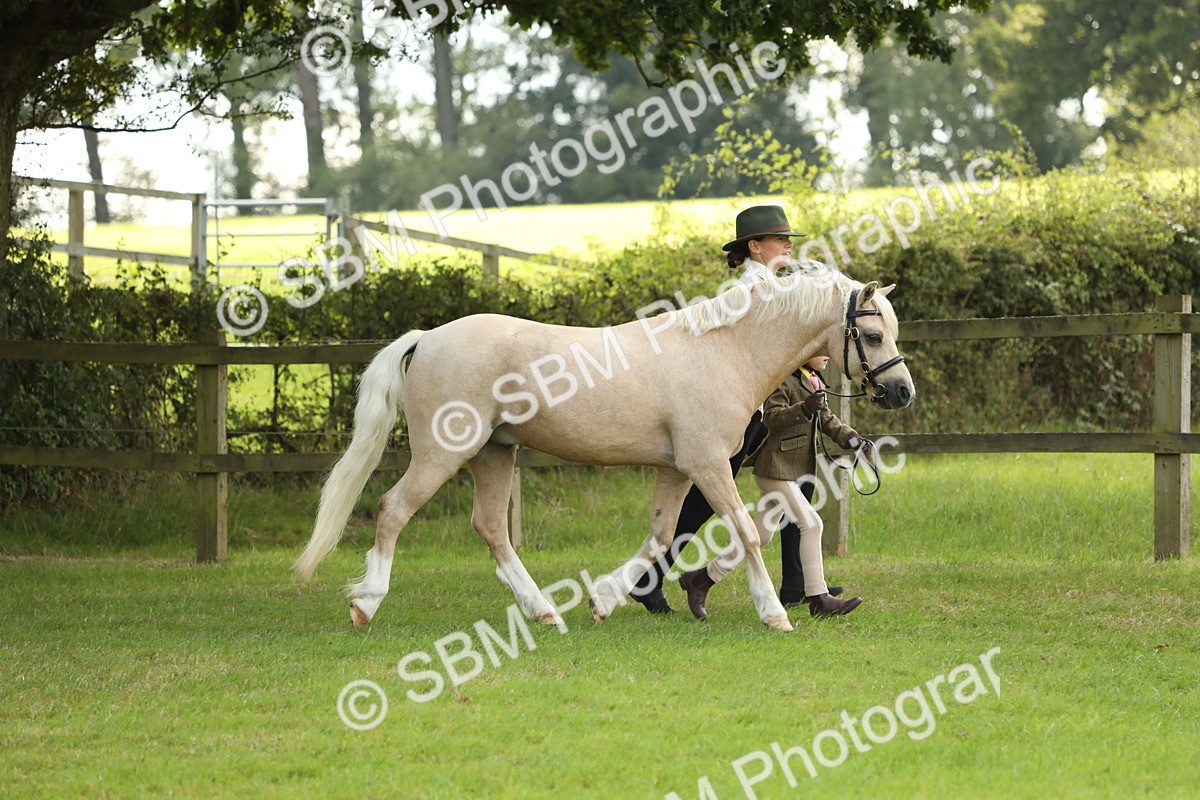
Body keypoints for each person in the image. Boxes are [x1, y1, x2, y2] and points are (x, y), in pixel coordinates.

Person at [630, 205, 845, 613]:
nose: (788, 245)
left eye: (788, 239)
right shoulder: (749, 293)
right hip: (738, 412)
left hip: (754, 410)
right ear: (755, 247)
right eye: (780, 239)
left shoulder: (773, 287)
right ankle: (651, 578)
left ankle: (798, 582)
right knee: (704, 499)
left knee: (783, 484)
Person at [678, 357, 867, 619]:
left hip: (790, 470)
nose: (827, 357)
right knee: (812, 524)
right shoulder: (782, 379)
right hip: (775, 469)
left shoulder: (812, 379)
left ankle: (701, 579)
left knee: (760, 535)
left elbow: (826, 419)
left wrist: (852, 439)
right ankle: (819, 599)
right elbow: (771, 417)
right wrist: (804, 408)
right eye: (820, 351)